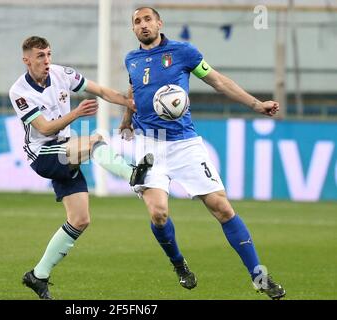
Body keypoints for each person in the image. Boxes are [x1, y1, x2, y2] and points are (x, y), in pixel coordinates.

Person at [119, 7, 286, 299]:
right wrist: (125, 122)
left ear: (159, 23)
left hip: (185, 143)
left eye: (147, 19)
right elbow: (133, 92)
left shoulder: (184, 52)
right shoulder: (131, 59)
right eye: (137, 21)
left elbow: (218, 81)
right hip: (149, 143)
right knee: (158, 213)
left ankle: (259, 276)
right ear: (133, 29)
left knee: (222, 207)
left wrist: (256, 105)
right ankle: (179, 265)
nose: (143, 25)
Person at [9, 36, 153, 299]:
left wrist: (127, 102)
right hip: (43, 154)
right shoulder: (19, 91)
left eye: (49, 54)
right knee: (94, 141)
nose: (47, 61)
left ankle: (38, 275)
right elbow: (43, 128)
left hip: (66, 148)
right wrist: (76, 113)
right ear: (26, 60)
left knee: (80, 219)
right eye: (40, 56)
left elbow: (99, 90)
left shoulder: (62, 74)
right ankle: (132, 175)